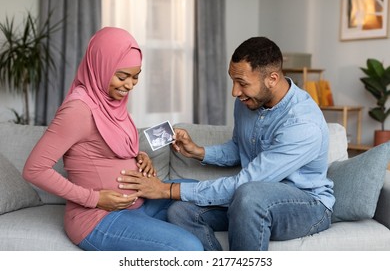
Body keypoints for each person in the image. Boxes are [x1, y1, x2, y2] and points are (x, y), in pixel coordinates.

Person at [117, 36, 335, 251]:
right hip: (249, 200)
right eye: (233, 81)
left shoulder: (303, 123)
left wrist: (167, 189)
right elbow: (240, 147)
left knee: (250, 196)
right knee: (180, 212)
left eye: (242, 83)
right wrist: (198, 152)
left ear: (272, 78)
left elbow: (246, 183)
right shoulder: (248, 102)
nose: (235, 92)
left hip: (307, 205)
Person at [22, 27, 203, 251]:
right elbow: (34, 169)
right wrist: (94, 199)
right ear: (101, 67)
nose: (129, 85)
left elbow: (111, 145)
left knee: (200, 192)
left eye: (136, 76)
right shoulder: (77, 110)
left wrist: (139, 156)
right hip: (99, 218)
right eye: (122, 76)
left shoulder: (112, 102)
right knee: (188, 247)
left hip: (139, 204)